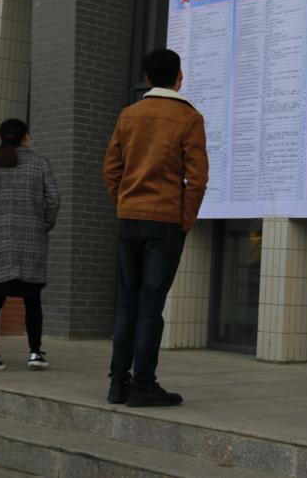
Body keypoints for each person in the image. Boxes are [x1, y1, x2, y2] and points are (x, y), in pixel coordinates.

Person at [103, 48, 208, 407]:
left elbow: (111, 170)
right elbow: (197, 179)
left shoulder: (129, 115)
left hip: (130, 219)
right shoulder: (189, 118)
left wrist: (124, 203)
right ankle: (144, 385)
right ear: (180, 77)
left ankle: (118, 383)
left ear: (147, 78)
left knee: (127, 304)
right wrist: (184, 219)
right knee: (150, 306)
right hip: (164, 222)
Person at [0, 119, 60, 371]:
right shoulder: (40, 163)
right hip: (31, 242)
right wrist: (43, 225)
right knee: (32, 299)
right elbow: (53, 199)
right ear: (25, 137)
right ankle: (34, 353)